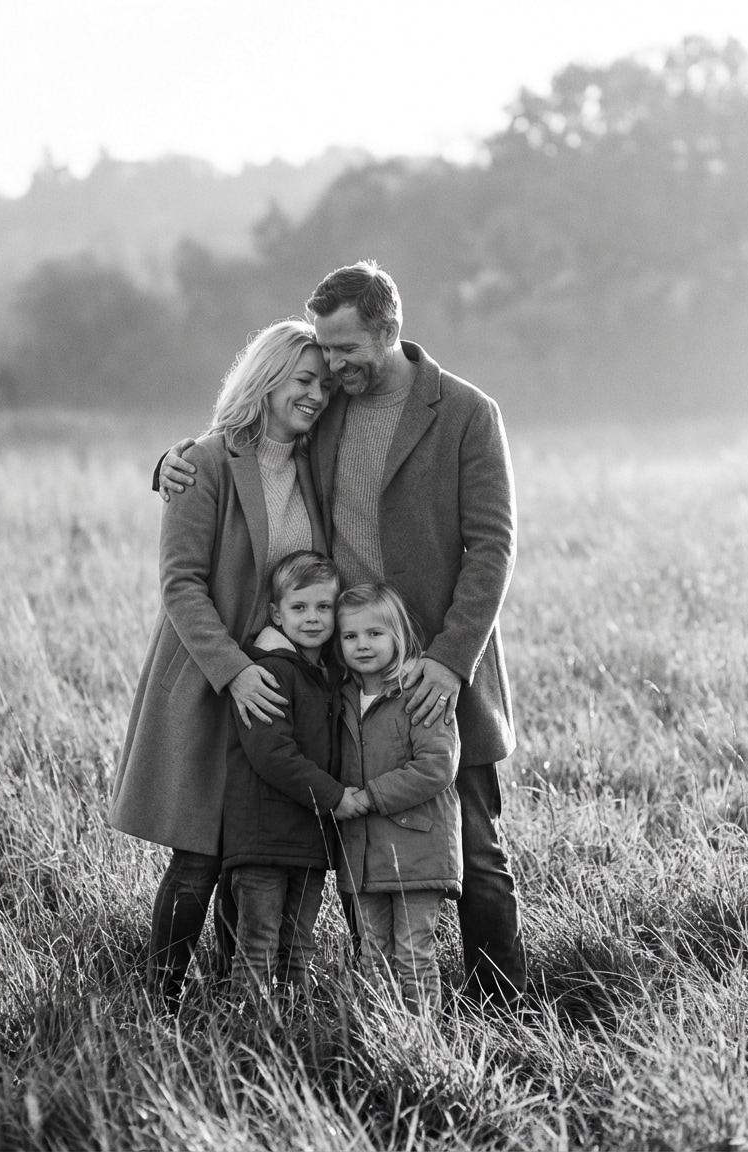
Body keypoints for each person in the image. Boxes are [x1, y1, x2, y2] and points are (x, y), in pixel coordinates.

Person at [158, 260, 525, 1007]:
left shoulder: (465, 413)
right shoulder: (327, 411)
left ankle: (502, 1008)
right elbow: (248, 438)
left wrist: (451, 663)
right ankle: (382, 1004)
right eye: (324, 351)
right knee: (360, 844)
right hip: (346, 676)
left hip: (437, 669)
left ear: (390, 332)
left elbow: (493, 548)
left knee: (476, 851)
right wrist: (169, 463)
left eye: (347, 350)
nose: (331, 367)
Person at [109, 318, 334, 1008]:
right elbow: (180, 584)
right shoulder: (205, 463)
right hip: (211, 679)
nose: (317, 395)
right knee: (200, 854)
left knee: (258, 849)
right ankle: (161, 1001)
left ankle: (242, 999)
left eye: (324, 384)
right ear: (265, 381)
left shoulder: (315, 466)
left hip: (285, 689)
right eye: (303, 381)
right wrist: (235, 670)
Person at [223, 550, 366, 997]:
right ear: (276, 614)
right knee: (259, 944)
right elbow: (273, 755)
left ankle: (295, 1032)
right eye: (299, 607)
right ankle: (248, 1037)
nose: (312, 618)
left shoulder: (327, 676)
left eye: (324, 607)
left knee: (299, 946)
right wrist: (335, 797)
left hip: (310, 840)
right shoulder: (267, 673)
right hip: (263, 838)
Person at [334, 582, 462, 1013]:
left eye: (374, 634)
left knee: (414, 955)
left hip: (417, 848)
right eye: (350, 636)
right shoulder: (342, 699)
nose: (362, 645)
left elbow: (437, 766)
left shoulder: (419, 692)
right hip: (362, 856)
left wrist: (370, 797)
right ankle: (383, 1038)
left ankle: (423, 1041)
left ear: (398, 635)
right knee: (371, 956)